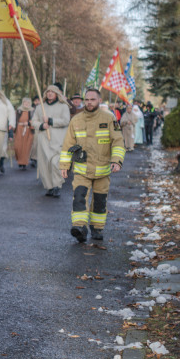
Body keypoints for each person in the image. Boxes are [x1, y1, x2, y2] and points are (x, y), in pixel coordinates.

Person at [59, 88, 125, 243]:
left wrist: (117, 160)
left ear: (99, 100)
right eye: (87, 99)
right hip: (82, 170)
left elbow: (118, 141)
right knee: (79, 198)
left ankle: (97, 228)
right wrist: (64, 165)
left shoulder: (109, 119)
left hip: (103, 170)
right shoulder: (76, 120)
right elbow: (68, 144)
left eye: (92, 99)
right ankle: (80, 228)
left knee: (100, 201)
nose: (89, 102)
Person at [31, 84, 71, 196]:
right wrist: (41, 125)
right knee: (45, 164)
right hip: (43, 140)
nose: (49, 93)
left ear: (57, 94)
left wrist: (51, 120)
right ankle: (49, 186)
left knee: (55, 163)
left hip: (58, 140)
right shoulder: (40, 107)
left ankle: (57, 185)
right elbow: (33, 122)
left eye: (52, 92)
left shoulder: (63, 106)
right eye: (48, 91)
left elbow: (66, 120)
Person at [13, 98, 34, 170]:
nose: (26, 104)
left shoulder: (32, 111)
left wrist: (28, 123)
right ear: (23, 103)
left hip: (28, 129)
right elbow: (14, 119)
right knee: (17, 146)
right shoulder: (19, 110)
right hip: (19, 129)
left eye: (28, 103)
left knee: (26, 147)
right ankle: (19, 160)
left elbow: (34, 120)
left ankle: (24, 163)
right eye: (25, 103)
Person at [29, 96, 41, 167]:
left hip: (42, 127)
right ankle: (34, 158)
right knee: (34, 144)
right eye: (36, 101)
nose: (37, 102)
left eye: (38, 100)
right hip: (34, 128)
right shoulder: (32, 109)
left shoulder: (43, 108)